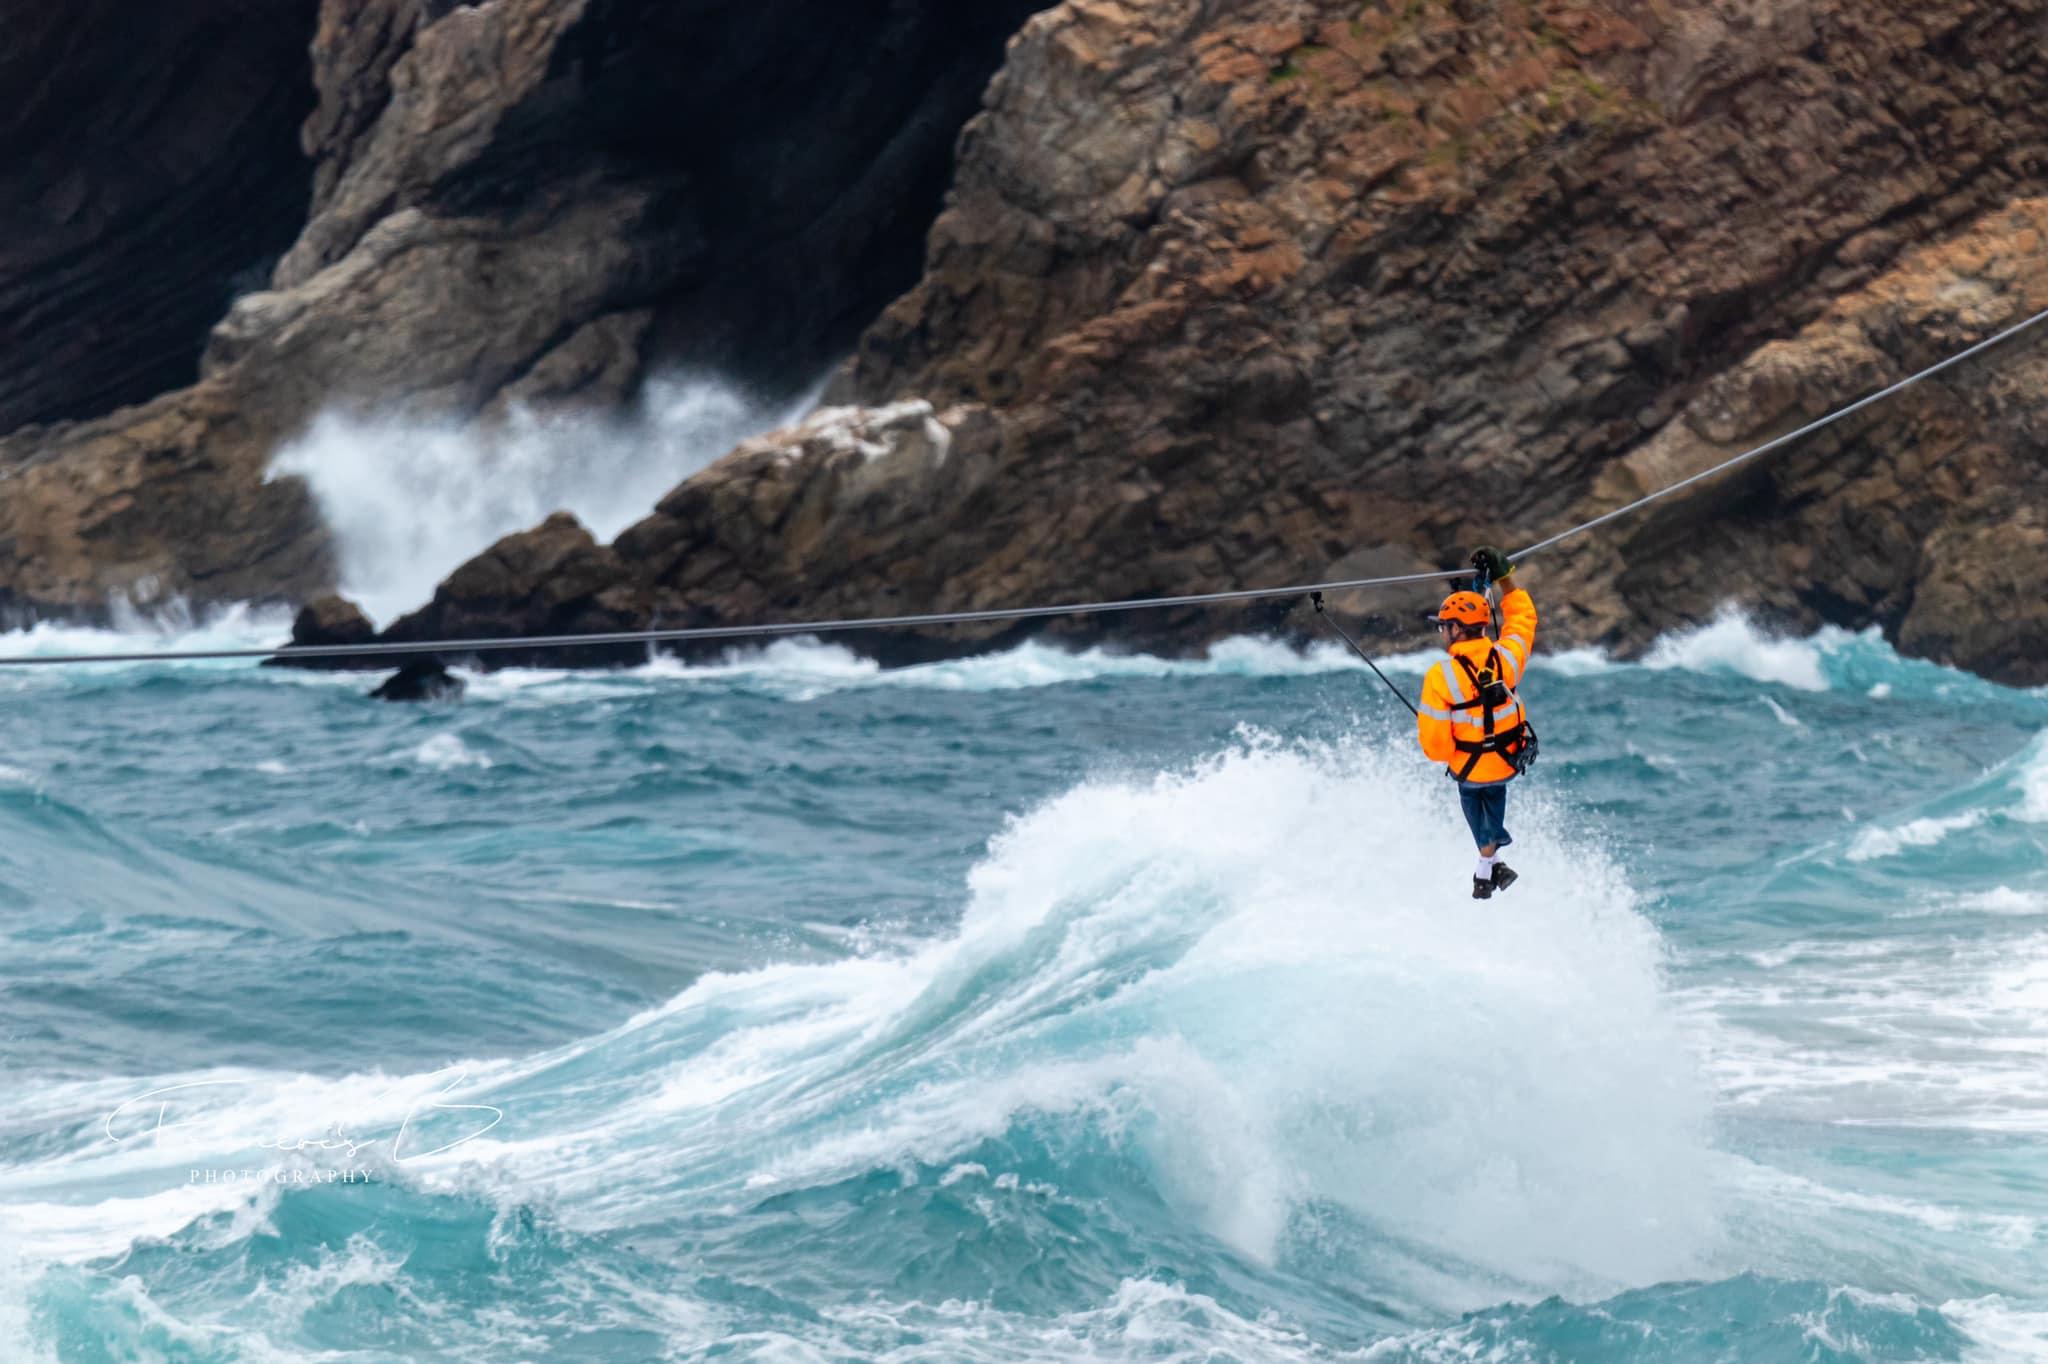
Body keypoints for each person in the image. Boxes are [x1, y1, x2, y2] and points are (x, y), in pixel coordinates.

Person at [1417, 546, 1537, 899]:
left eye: (1444, 627)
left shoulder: (1441, 677)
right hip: (1506, 762)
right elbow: (1523, 620)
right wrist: (1504, 578)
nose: (1442, 632)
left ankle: (1488, 860)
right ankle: (1489, 869)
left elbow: (1437, 749)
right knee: (1495, 790)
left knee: (1472, 797)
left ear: (1456, 629)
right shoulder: (1508, 658)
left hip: (1468, 770)